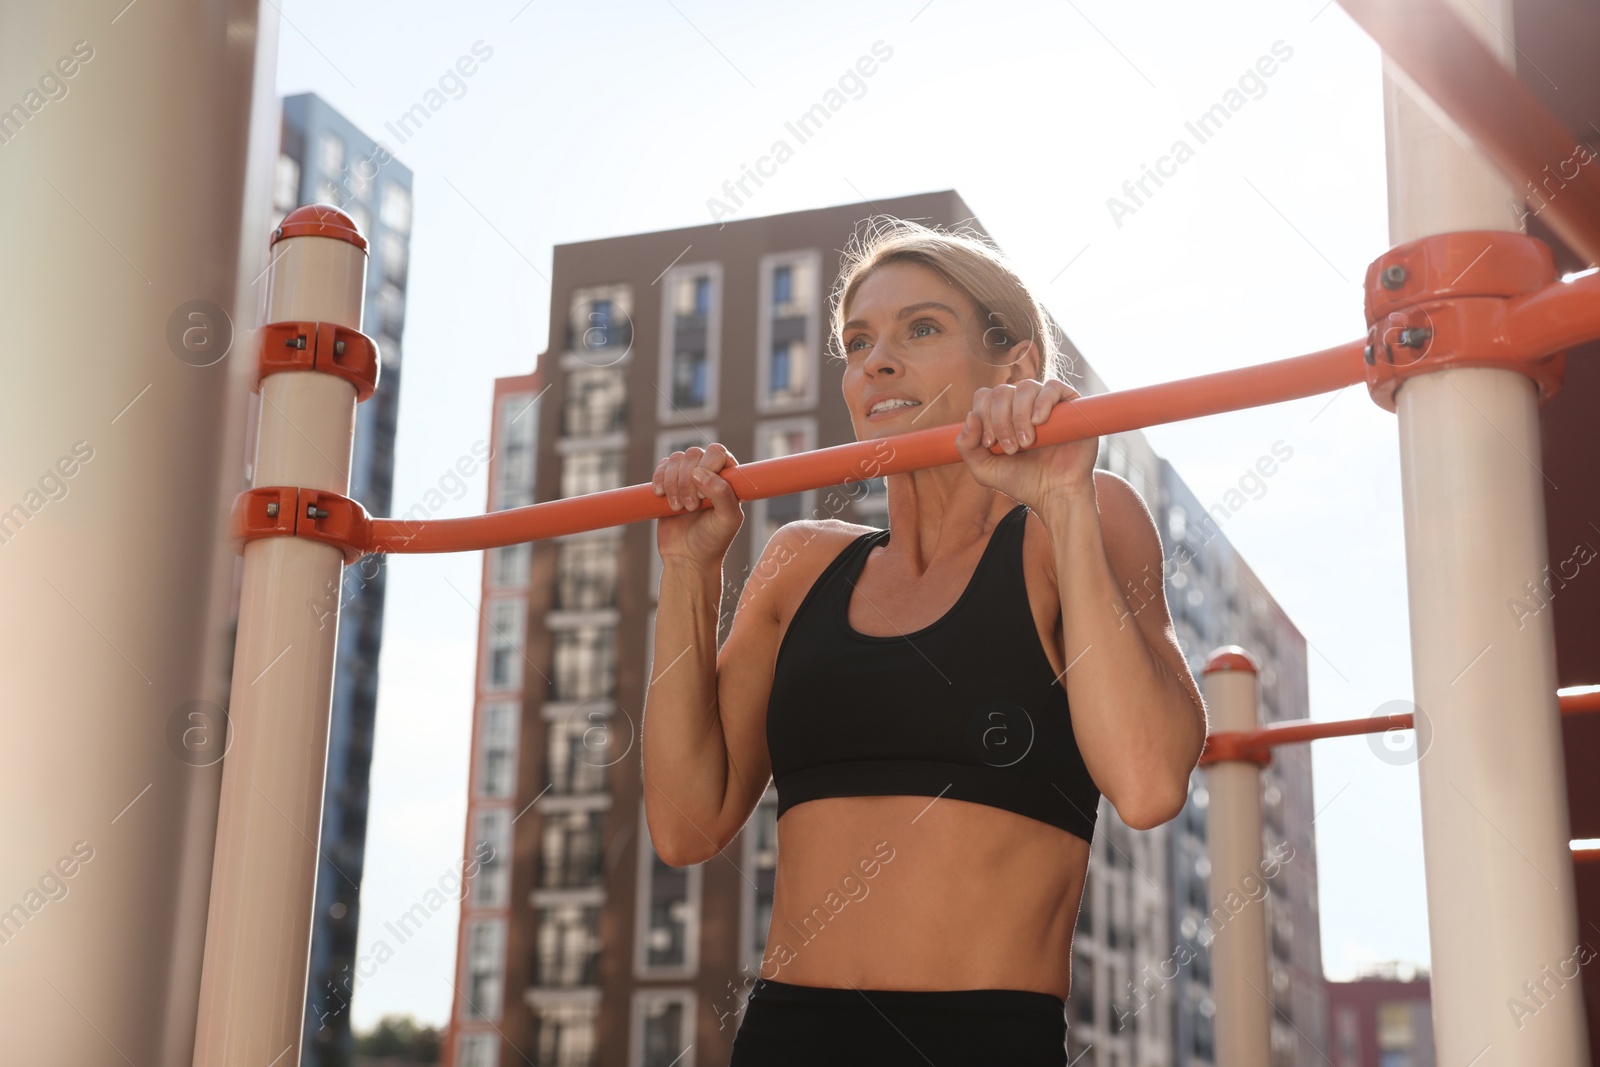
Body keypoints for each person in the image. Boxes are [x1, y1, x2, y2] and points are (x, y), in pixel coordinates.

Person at [642, 217, 1207, 1065]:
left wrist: (1062, 498)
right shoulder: (798, 565)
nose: (876, 361)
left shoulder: (1076, 522)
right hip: (786, 1037)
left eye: (922, 328)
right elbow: (685, 826)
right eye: (858, 340)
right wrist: (690, 570)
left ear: (1014, 366)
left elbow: (1150, 781)